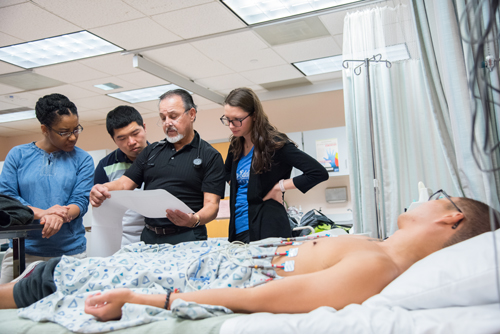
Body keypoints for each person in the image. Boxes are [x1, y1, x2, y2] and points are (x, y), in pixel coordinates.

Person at [1, 192, 497, 329]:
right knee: (53, 274)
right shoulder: (372, 246)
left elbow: (261, 298)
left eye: (438, 196)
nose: (427, 199)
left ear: (451, 220)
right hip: (213, 254)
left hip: (208, 271)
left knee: (51, 279)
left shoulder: (377, 269)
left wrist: (143, 298)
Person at [90, 89, 225, 245]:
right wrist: (102, 188)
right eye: (163, 118)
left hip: (188, 236)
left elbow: (212, 205)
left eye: (173, 116)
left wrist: (194, 220)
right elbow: (123, 183)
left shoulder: (210, 155)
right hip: (150, 237)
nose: (167, 122)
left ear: (192, 114)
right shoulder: (151, 151)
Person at [0, 93, 94, 283]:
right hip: (22, 252)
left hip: (69, 254)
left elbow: (80, 201)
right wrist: (43, 214)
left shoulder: (83, 159)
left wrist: (58, 216)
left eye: (76, 129)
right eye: (64, 132)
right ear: (45, 129)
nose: (73, 137)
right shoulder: (18, 155)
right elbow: (7, 198)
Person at [221, 87, 329, 243]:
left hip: (267, 226)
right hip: (238, 227)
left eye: (237, 119)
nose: (231, 125)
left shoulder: (275, 144)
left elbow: (318, 172)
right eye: (227, 119)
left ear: (255, 116)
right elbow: (227, 173)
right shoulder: (236, 145)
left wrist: (279, 187)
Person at [94, 106, 149, 246]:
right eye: (122, 138)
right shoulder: (105, 166)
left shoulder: (163, 157)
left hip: (158, 236)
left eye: (135, 133)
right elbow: (103, 210)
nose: (131, 142)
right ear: (113, 140)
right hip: (122, 241)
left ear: (144, 127)